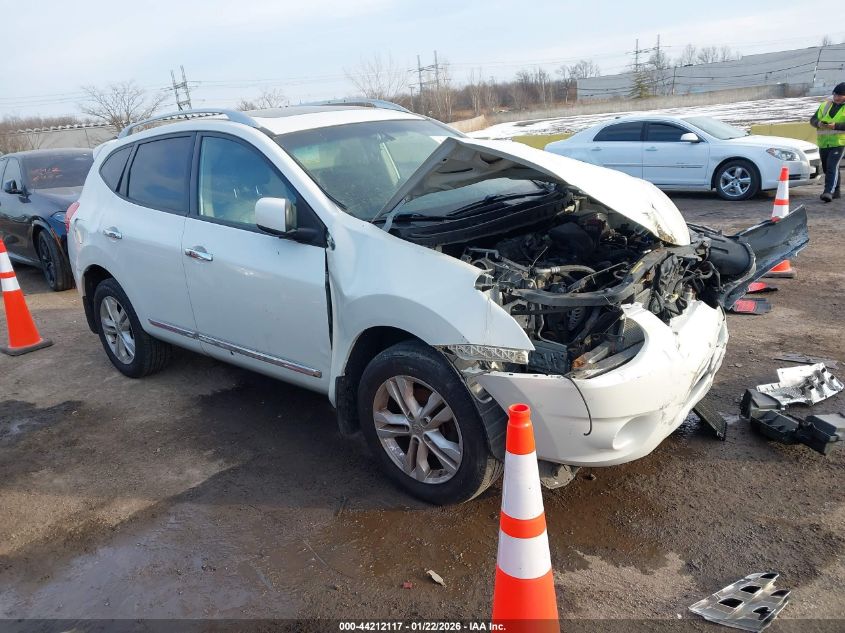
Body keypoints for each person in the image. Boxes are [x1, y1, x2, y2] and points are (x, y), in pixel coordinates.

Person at [810, 82, 845, 202]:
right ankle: (836, 191)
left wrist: (835, 126)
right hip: (823, 143)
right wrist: (818, 123)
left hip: (839, 143)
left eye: (840, 95)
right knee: (827, 168)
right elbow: (813, 120)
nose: (836, 97)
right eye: (835, 95)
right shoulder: (825, 105)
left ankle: (828, 192)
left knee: (831, 167)